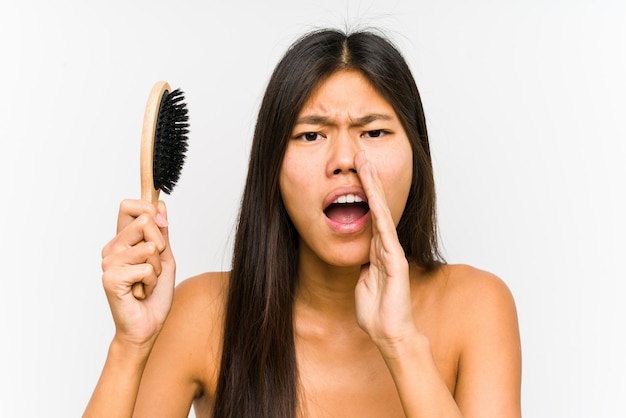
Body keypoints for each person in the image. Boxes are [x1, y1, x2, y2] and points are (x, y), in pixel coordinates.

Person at [84, 28, 521, 417]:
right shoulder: (201, 314)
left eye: (373, 132)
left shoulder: (477, 308)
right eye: (311, 135)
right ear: (272, 166)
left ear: (416, 157)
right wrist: (130, 345)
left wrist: (403, 344)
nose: (345, 161)